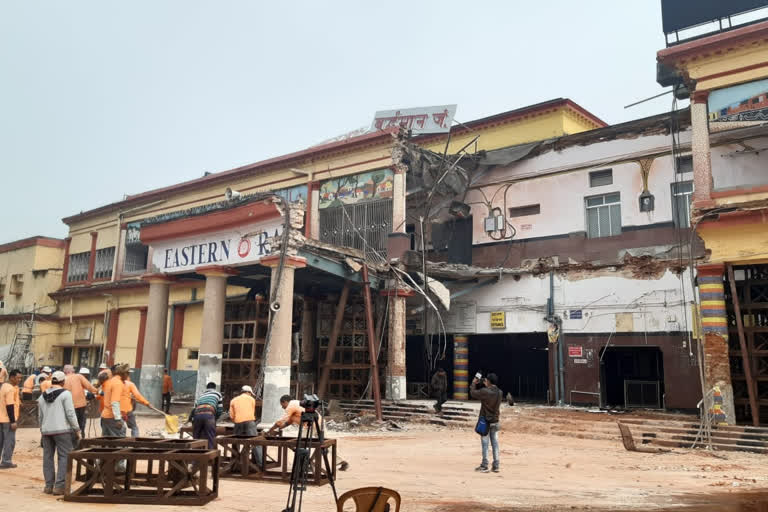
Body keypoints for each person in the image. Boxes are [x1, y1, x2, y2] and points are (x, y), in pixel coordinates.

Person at [37, 370, 79, 495]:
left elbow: (40, 417)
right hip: (62, 431)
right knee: (64, 456)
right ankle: (60, 486)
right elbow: (70, 414)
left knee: (48, 458)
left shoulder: (42, 396)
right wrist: (76, 429)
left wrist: (42, 430)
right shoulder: (65, 394)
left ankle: (49, 486)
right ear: (63, 381)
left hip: (46, 431)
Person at [471, 373, 502, 473]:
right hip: (496, 420)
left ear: (488, 381)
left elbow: (473, 393)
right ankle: (496, 465)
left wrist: (473, 384)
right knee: (495, 443)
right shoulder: (500, 392)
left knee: (485, 443)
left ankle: (485, 465)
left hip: (486, 420)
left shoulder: (485, 391)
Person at [229, 385, 262, 465]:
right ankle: (260, 464)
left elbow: (231, 416)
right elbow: (251, 412)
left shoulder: (233, 400)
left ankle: (234, 463)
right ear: (248, 392)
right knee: (255, 442)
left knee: (235, 442)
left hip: (238, 422)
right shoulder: (252, 399)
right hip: (250, 422)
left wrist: (237, 422)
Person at [63, 364, 98, 438]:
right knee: (80, 423)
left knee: (71, 424)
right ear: (73, 371)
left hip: (69, 405)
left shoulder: (63, 379)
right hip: (81, 405)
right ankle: (80, 439)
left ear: (64, 371)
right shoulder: (78, 376)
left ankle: (74, 440)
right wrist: (97, 391)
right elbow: (89, 387)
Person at [0, 370, 21, 469]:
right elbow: (10, 405)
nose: (19, 380)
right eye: (18, 378)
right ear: (11, 377)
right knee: (9, 441)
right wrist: (13, 421)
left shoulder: (3, 387)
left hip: (1, 418)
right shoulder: (9, 388)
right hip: (7, 419)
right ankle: (6, 461)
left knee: (0, 441)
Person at [191, 382, 222, 449]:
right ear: (214, 388)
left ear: (207, 388)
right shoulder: (217, 394)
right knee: (210, 436)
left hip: (197, 415)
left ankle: (194, 456)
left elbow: (194, 409)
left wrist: (191, 420)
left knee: (196, 436)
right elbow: (220, 410)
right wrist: (215, 419)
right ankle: (209, 455)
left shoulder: (201, 395)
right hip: (209, 415)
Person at [100, 364, 129, 437]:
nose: (128, 375)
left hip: (105, 416)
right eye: (127, 373)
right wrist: (118, 419)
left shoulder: (110, 381)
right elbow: (114, 402)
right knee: (120, 440)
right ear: (122, 373)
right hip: (112, 417)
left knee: (106, 442)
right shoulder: (118, 383)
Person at [122, 371, 150, 438]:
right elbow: (138, 396)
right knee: (134, 427)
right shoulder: (130, 384)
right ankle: (135, 442)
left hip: (117, 411)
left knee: (120, 429)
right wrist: (147, 403)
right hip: (126, 410)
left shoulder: (114, 382)